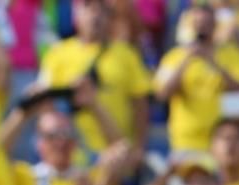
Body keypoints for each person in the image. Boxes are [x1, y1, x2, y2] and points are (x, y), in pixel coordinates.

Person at [30, 0, 150, 152]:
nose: (95, 15)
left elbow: (140, 106)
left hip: (117, 152)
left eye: (101, 9)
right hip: (71, 155)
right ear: (76, 13)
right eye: (87, 6)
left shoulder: (127, 55)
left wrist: (139, 147)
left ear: (109, 16)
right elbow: (45, 107)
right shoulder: (57, 53)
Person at [153, 2, 239, 154]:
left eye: (207, 23)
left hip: (223, 142)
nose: (202, 28)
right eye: (198, 23)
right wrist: (186, 61)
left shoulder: (231, 54)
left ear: (215, 25)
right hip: (186, 141)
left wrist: (214, 64)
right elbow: (162, 94)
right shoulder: (173, 57)